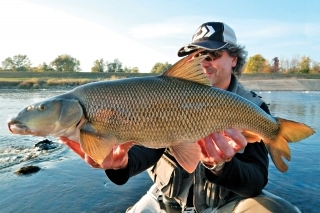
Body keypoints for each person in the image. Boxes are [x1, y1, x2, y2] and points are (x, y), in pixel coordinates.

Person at [61, 22, 301, 213]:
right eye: (197, 55)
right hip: (165, 201)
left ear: (234, 59)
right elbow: (145, 152)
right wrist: (120, 164)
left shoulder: (253, 108)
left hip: (225, 206)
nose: (203, 62)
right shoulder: (162, 96)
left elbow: (256, 181)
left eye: (213, 55)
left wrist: (220, 165)